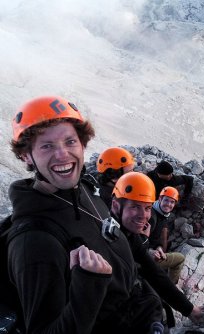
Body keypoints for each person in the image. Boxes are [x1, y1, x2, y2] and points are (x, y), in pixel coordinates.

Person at [8, 96, 164, 333]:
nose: (62, 154)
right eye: (47, 146)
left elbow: (128, 263)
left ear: (82, 144)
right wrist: (89, 286)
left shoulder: (87, 192)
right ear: (26, 156)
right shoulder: (34, 241)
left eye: (70, 141)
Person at [110, 172, 204, 326]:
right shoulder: (110, 238)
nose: (143, 215)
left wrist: (189, 309)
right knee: (179, 259)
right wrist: (146, 242)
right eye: (135, 206)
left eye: (147, 208)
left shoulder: (131, 233)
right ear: (115, 206)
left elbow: (154, 272)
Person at [148, 186, 185, 284]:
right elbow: (137, 239)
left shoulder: (162, 214)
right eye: (166, 200)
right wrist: (149, 251)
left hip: (152, 253)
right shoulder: (151, 216)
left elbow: (155, 239)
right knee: (180, 259)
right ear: (160, 199)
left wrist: (159, 247)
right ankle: (169, 288)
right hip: (144, 257)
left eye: (172, 202)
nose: (169, 204)